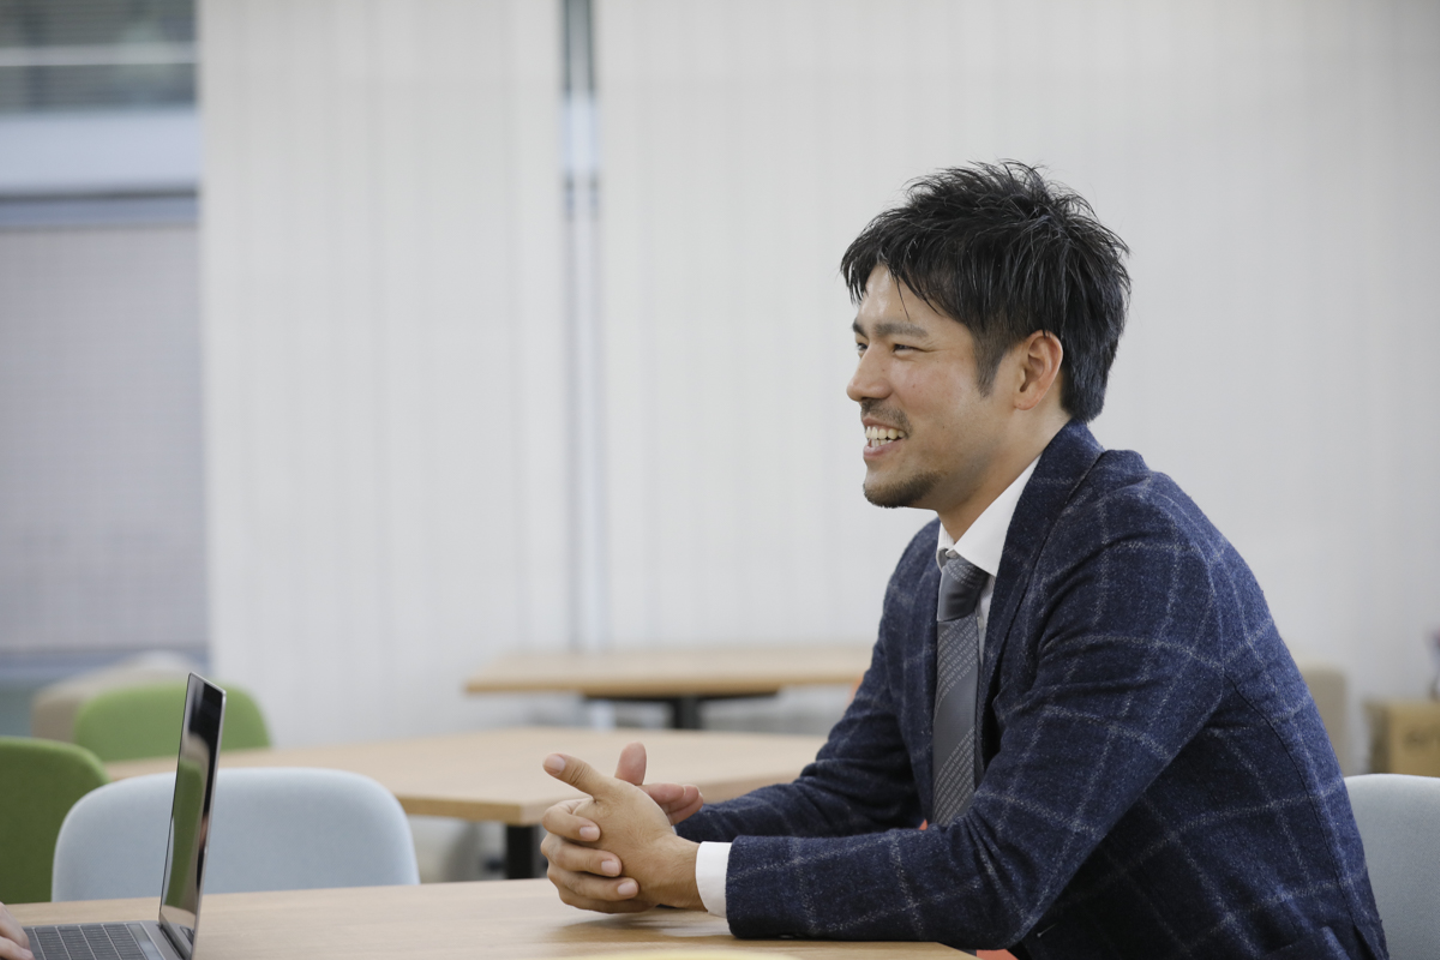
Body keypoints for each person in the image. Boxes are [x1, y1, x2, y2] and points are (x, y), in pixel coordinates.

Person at [538, 163, 1387, 959]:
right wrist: (650, 843)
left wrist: (682, 872)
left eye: (903, 349)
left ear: (1030, 370)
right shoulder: (934, 570)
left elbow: (995, 874)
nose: (861, 383)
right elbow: (848, 799)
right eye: (861, 344)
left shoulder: (1137, 557)